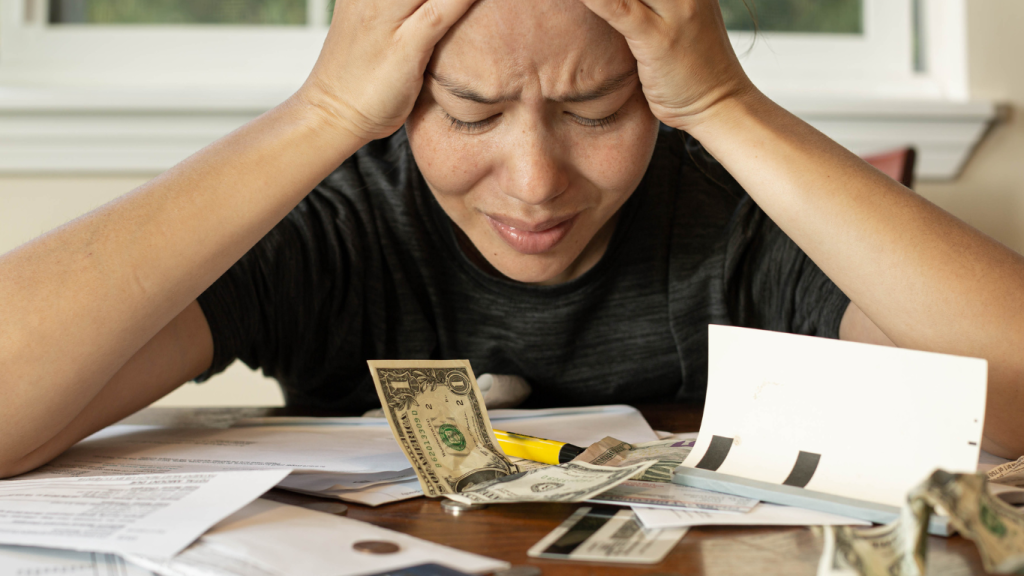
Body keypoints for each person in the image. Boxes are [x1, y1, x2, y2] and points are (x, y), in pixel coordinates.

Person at [2, 0, 1023, 480]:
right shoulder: (342, 218)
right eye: (471, 114)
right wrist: (316, 117)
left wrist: (722, 101)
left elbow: (1012, 400)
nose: (535, 183)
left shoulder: (736, 205)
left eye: (593, 111)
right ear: (397, 107)